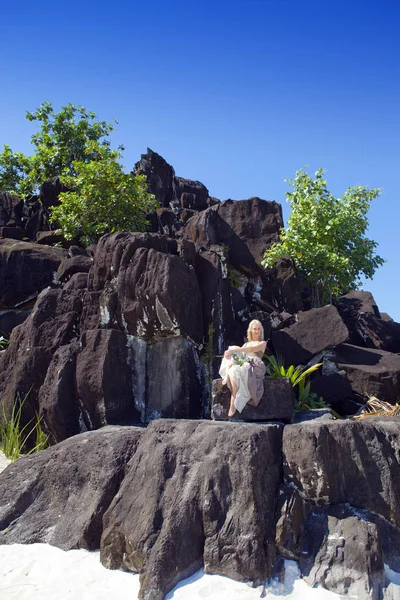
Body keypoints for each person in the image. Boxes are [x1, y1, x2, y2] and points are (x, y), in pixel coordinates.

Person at [219, 319, 267, 417]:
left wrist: (235, 349)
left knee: (234, 349)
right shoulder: (246, 344)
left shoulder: (262, 343)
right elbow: (240, 353)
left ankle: (233, 400)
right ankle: (234, 395)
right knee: (233, 369)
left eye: (259, 329)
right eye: (255, 329)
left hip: (255, 365)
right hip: (244, 363)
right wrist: (229, 352)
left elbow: (252, 349)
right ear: (250, 330)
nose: (257, 331)